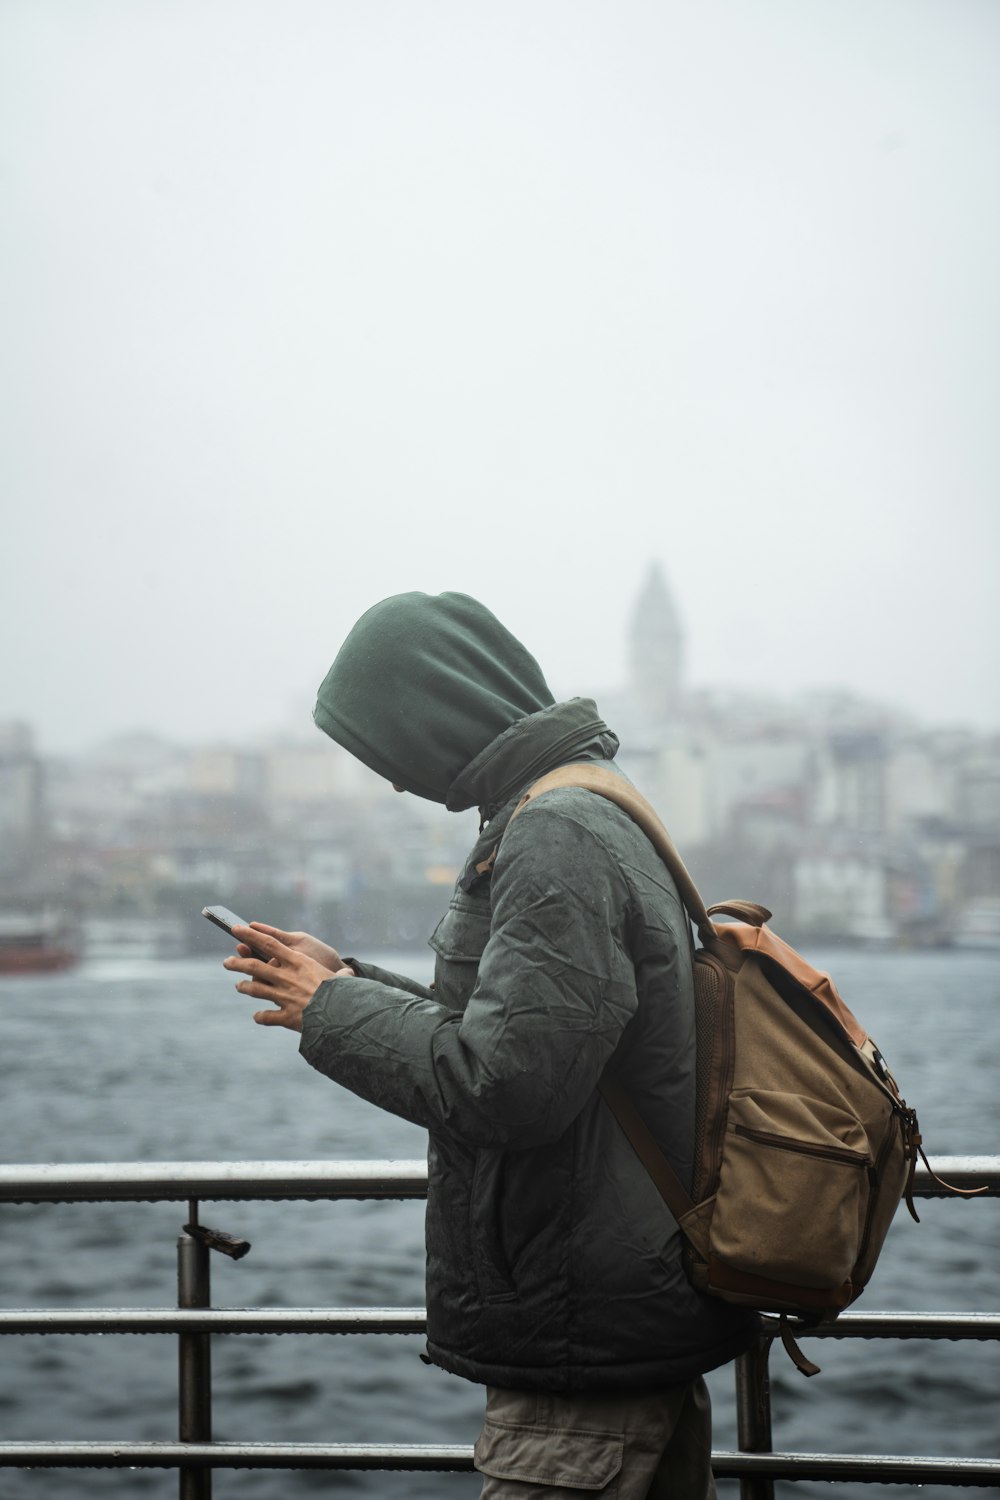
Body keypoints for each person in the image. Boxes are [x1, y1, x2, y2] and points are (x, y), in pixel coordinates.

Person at [223, 590, 758, 1499]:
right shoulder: (593, 804)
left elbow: (510, 1087)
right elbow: (532, 1031)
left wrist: (329, 1011)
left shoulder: (554, 832)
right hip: (618, 1316)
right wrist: (345, 979)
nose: (394, 779)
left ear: (438, 713)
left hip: (578, 1339)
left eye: (388, 748)